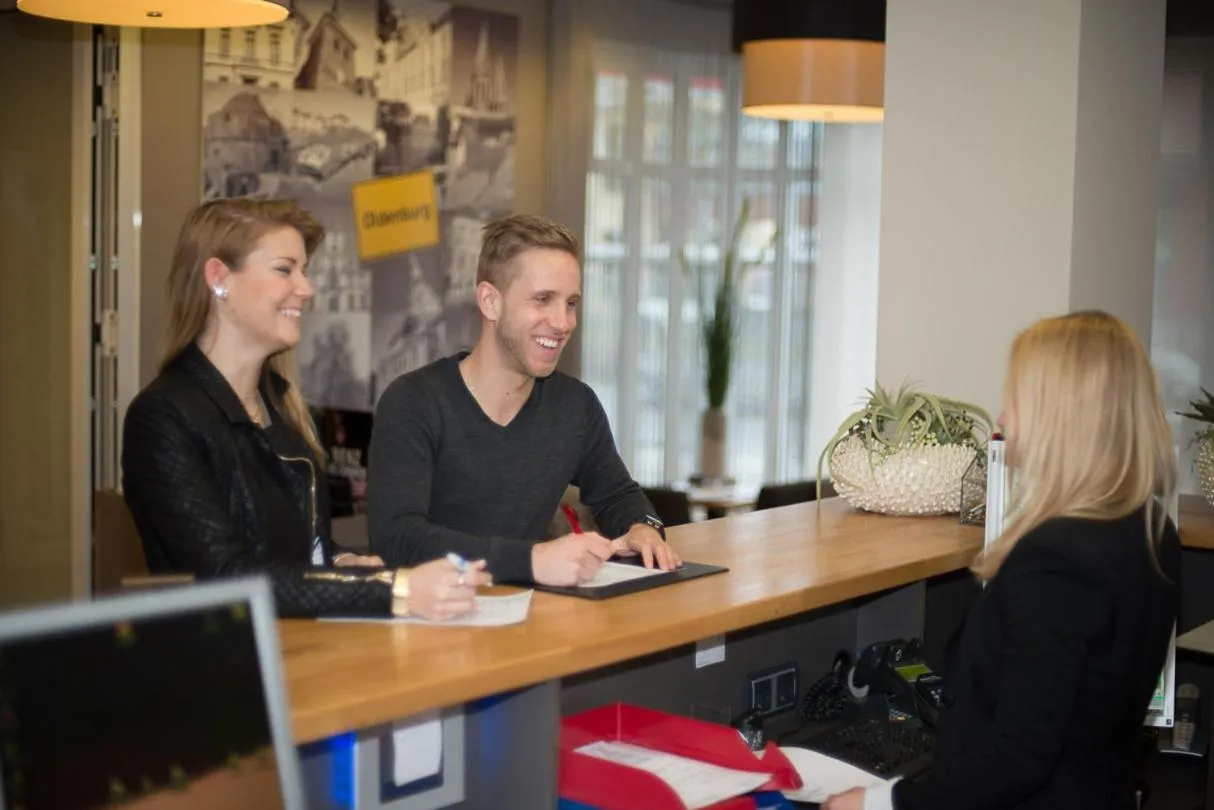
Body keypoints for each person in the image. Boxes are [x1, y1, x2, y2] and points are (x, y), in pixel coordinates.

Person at [824, 310, 1182, 810]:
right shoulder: (1152, 530)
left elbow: (1017, 760)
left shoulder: (1055, 561)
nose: (1004, 419)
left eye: (1017, 400)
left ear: (1061, 415)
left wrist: (880, 803)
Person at [121, 197, 489, 620]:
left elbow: (296, 549)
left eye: (305, 270)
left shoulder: (280, 406)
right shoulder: (162, 418)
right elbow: (227, 576)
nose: (307, 288)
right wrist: (395, 588)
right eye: (284, 269)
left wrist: (342, 563)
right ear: (219, 279)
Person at [367, 213, 680, 586]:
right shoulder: (413, 403)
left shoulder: (575, 406)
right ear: (490, 302)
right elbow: (398, 539)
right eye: (543, 299)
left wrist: (641, 527)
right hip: (429, 623)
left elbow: (617, 493)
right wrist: (530, 560)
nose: (563, 322)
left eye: (571, 303)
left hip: (527, 620)